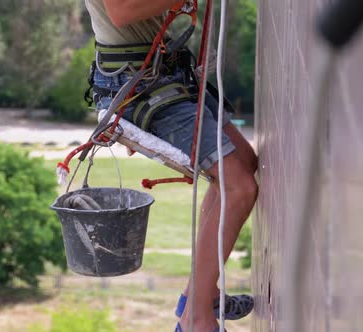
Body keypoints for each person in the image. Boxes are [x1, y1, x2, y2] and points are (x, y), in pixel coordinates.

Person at [84, 0, 259, 331]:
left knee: (242, 165)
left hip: (163, 74)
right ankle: (196, 318)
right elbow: (122, 10)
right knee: (239, 186)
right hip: (140, 86)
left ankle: (201, 293)